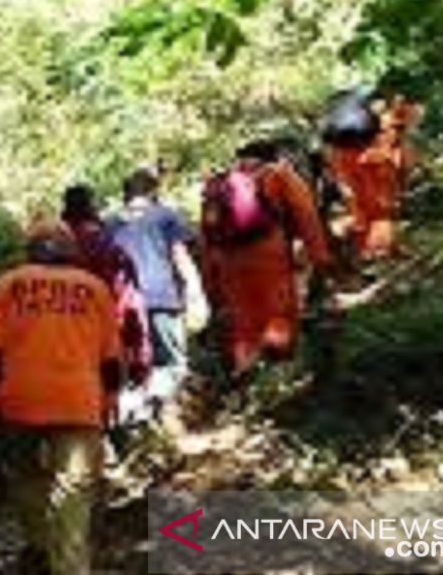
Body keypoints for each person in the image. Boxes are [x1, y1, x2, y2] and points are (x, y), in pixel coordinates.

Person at [0, 221, 121, 575]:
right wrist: (109, 400)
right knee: (73, 491)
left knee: (25, 477)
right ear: (71, 251)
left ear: (30, 249)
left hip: (19, 402)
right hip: (80, 403)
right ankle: (68, 564)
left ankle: (38, 546)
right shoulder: (95, 288)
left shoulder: (8, 285)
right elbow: (111, 359)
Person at [202, 141, 335, 379]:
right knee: (277, 310)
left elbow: (207, 238)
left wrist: (210, 284)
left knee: (242, 320)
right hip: (268, 254)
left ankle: (244, 371)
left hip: (228, 262)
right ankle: (278, 372)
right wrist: (320, 257)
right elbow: (306, 215)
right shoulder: (277, 174)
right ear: (271, 157)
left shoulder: (220, 184)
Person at [107, 168, 206, 429]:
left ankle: (133, 424)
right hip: (161, 298)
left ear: (126, 192)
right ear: (153, 191)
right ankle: (160, 417)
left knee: (131, 366)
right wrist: (195, 288)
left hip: (123, 304)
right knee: (171, 362)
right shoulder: (165, 216)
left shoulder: (110, 221)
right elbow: (179, 253)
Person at [60, 185, 147, 391]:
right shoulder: (107, 247)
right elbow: (129, 304)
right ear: (92, 208)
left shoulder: (51, 245)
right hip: (103, 333)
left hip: (60, 336)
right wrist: (140, 359)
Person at [324, 92, 419, 261]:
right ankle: (372, 249)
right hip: (370, 163)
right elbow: (397, 157)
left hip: (347, 161)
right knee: (378, 207)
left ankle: (374, 249)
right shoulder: (388, 125)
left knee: (363, 208)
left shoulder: (362, 126)